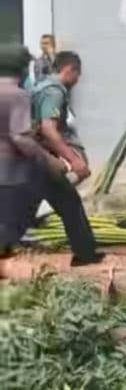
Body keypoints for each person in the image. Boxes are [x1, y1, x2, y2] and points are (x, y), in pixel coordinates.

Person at [30, 50, 103, 266]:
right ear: (69, 70)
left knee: (60, 201)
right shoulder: (54, 91)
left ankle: (86, 254)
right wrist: (74, 160)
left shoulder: (40, 86)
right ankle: (86, 254)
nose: (78, 80)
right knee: (68, 201)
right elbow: (49, 130)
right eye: (77, 74)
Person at [0, 44, 68, 261]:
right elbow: (19, 136)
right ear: (20, 68)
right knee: (11, 225)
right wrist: (47, 159)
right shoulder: (17, 95)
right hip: (11, 173)